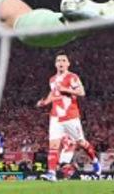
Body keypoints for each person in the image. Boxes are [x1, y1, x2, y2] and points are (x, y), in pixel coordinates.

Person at [35, 52, 100, 181]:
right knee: (53, 145)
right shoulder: (52, 80)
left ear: (68, 64)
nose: (61, 62)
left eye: (64, 60)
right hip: (55, 116)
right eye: (58, 60)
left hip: (70, 116)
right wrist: (44, 102)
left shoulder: (72, 77)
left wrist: (67, 89)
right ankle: (52, 173)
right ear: (55, 64)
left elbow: (82, 92)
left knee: (81, 142)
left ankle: (95, 161)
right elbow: (53, 94)